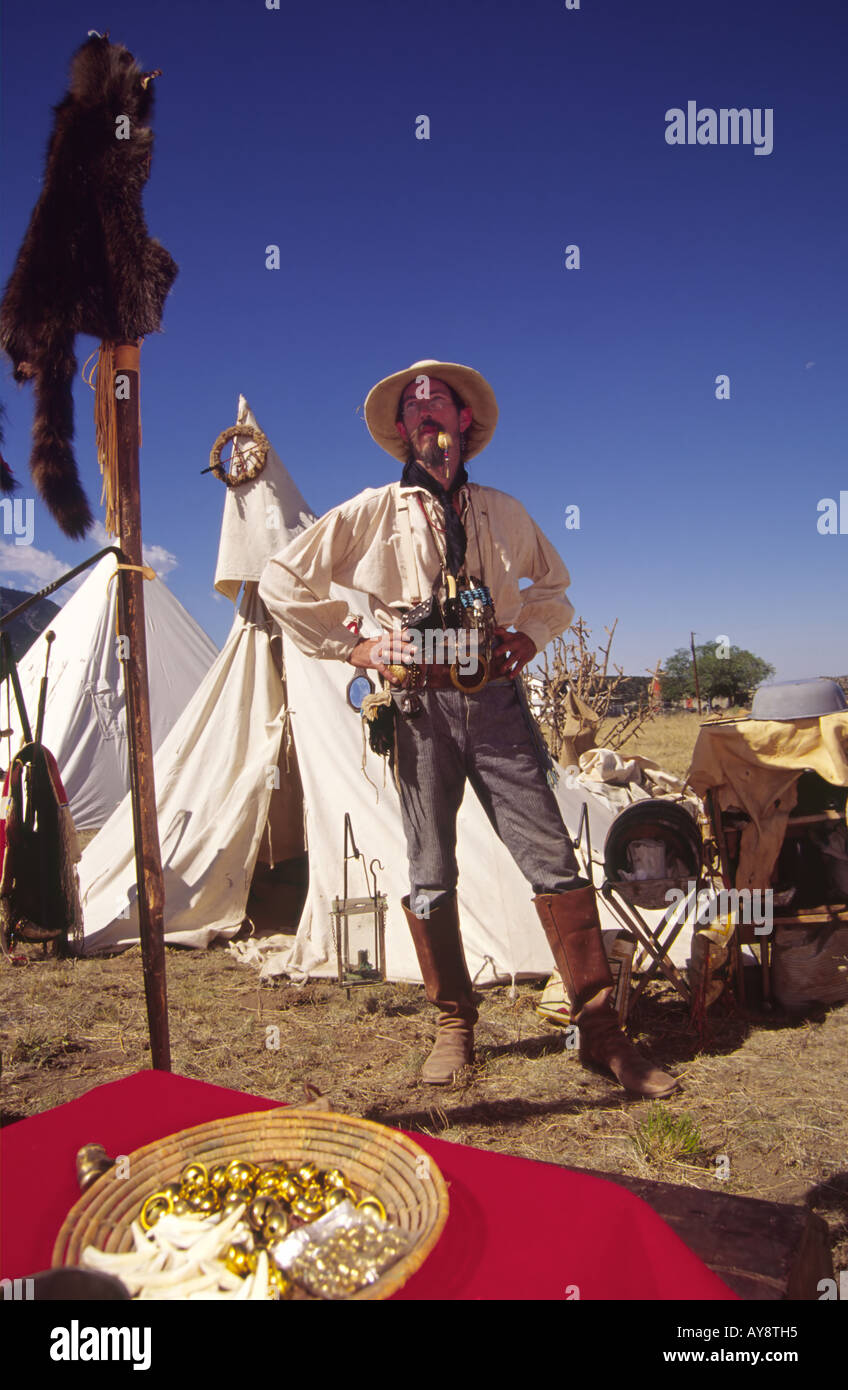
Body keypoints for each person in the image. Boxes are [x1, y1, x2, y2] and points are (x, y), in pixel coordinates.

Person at [258, 360, 677, 1098]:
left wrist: (529, 637)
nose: (428, 416)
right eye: (414, 409)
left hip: (497, 705)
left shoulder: (503, 511)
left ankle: (602, 1033)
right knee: (429, 870)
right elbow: (280, 582)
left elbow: (555, 589)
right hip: (418, 709)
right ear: (400, 431)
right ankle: (455, 1025)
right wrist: (356, 645)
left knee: (551, 858)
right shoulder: (368, 512)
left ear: (463, 423)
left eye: (440, 405)